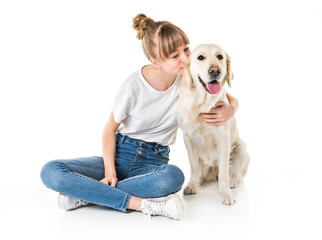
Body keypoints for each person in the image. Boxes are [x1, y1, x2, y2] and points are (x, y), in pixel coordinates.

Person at [40, 13, 239, 220]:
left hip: (154, 162)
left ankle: (88, 195)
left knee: (173, 177)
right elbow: (109, 130)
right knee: (51, 171)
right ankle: (141, 204)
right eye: (174, 56)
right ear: (155, 61)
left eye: (186, 49)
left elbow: (227, 96)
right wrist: (110, 174)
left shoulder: (189, 77)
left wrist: (231, 109)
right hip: (120, 154)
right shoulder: (133, 86)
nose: (185, 58)